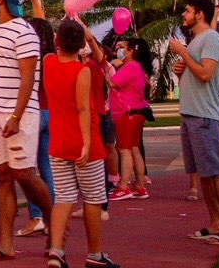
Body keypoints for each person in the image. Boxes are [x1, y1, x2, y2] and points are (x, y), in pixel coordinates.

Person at [0, 0, 53, 262]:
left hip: (19, 115)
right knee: (2, 176)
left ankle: (52, 221)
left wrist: (16, 116)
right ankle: (6, 244)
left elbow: (28, 80)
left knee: (24, 174)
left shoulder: (25, 31)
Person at [43, 19, 120, 268]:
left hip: (59, 141)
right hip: (85, 144)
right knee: (93, 199)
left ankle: (56, 249)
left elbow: (50, 36)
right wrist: (87, 143)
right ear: (82, 45)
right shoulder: (82, 70)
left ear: (57, 41)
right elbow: (83, 108)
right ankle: (95, 254)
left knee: (63, 198)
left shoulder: (48, 63)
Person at [168, 0, 219, 246]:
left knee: (216, 172)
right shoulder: (196, 40)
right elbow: (194, 76)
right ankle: (215, 223)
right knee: (204, 174)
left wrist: (183, 54)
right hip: (190, 114)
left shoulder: (210, 37)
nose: (183, 15)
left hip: (204, 116)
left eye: (187, 11)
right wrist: (181, 71)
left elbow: (207, 74)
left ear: (200, 14)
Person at [19, 11, 56, 237]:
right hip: (51, 111)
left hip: (34, 111)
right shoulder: (52, 57)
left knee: (27, 171)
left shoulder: (29, 56)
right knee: (47, 168)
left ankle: (36, 216)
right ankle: (52, 217)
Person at [109, 38, 153, 200]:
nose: (120, 50)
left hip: (128, 113)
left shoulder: (130, 66)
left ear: (131, 51)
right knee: (134, 148)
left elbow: (113, 83)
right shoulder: (137, 67)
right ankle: (140, 185)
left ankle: (123, 186)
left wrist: (106, 69)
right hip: (136, 112)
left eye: (123, 47)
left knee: (124, 149)